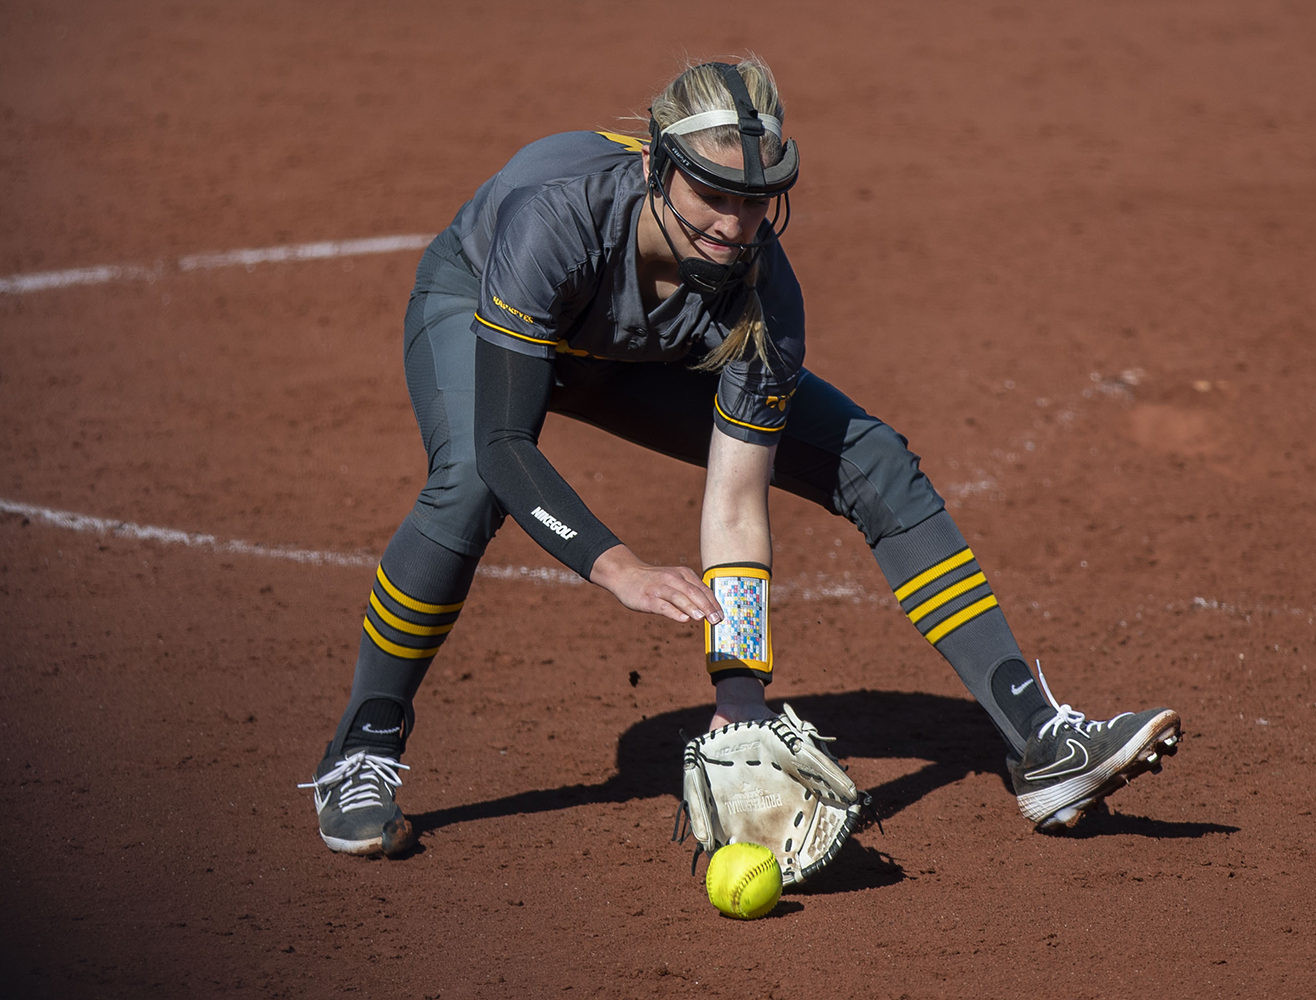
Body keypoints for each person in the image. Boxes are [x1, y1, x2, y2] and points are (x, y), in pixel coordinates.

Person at [300, 57, 1181, 858]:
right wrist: (619, 567)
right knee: (465, 489)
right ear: (656, 167)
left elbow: (734, 505)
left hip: (636, 355)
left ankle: (1040, 738)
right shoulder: (555, 223)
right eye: (712, 194)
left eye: (756, 201)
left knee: (870, 461)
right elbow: (503, 442)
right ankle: (362, 749)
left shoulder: (762, 296)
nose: (734, 223)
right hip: (488, 311)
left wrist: (740, 706)